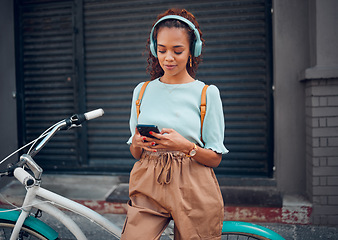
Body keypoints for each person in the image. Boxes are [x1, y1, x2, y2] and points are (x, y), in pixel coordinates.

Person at [121, 8, 228, 240]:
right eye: (162, 50)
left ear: (193, 51)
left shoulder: (206, 94)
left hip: (194, 183)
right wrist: (138, 142)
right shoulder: (142, 91)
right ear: (154, 50)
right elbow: (135, 153)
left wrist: (184, 146)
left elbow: (215, 158)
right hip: (148, 181)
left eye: (177, 51)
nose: (168, 58)